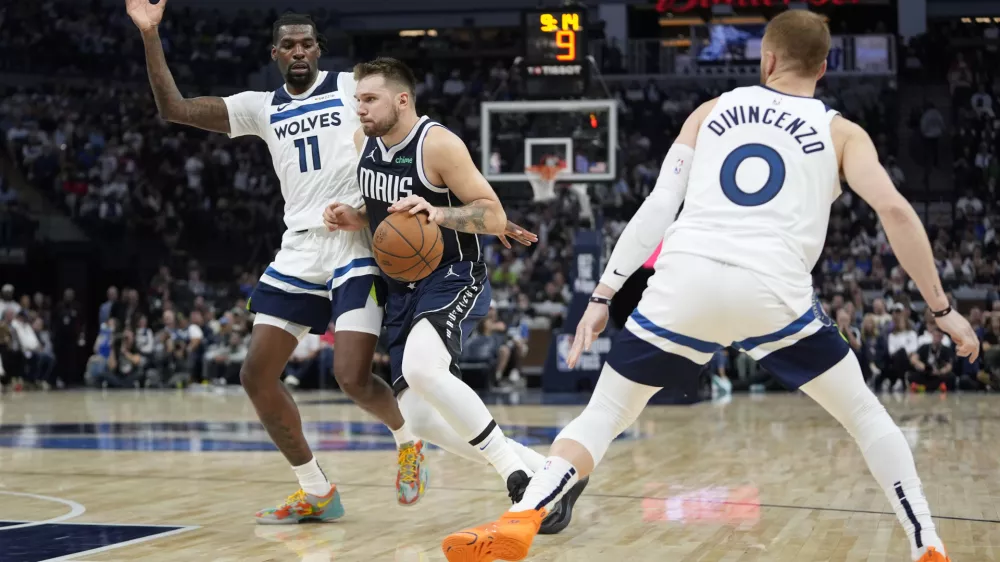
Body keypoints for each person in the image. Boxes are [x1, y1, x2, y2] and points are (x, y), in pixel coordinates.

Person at [442, 11, 979, 562]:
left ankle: (519, 519)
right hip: (771, 290)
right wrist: (941, 310)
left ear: (766, 58)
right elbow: (893, 209)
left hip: (685, 281)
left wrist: (603, 295)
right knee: (867, 417)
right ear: (824, 67)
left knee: (603, 415)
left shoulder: (709, 112)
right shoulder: (841, 132)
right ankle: (926, 542)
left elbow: (657, 207)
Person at [126, 0, 430, 521]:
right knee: (255, 375)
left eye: (306, 43)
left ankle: (408, 441)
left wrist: (372, 204)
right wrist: (150, 34)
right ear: (275, 53)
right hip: (299, 249)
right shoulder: (260, 106)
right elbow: (173, 107)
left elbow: (401, 117)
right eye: (288, 44)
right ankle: (316, 491)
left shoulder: (348, 87)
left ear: (318, 50)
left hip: (354, 242)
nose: (298, 51)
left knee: (352, 377)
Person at [323, 57, 585, 534]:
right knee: (418, 418)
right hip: (401, 289)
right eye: (356, 98)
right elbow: (386, 214)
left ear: (401, 99)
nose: (358, 108)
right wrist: (356, 216)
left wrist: (440, 215)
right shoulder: (365, 143)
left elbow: (494, 217)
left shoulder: (439, 144)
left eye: (369, 98)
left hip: (452, 273)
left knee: (422, 369)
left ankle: (518, 477)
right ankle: (550, 472)